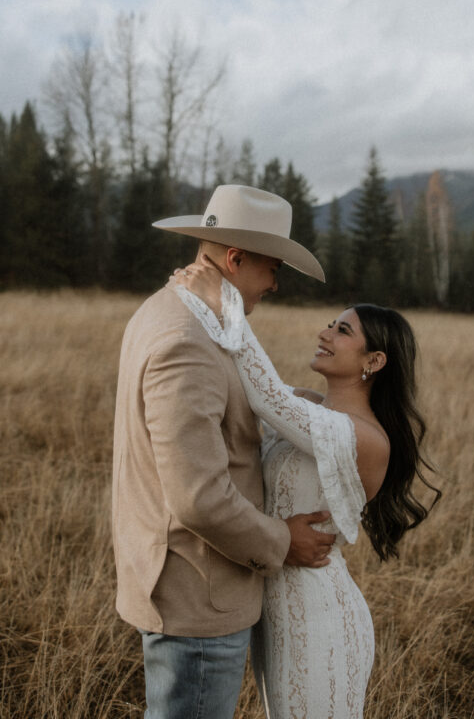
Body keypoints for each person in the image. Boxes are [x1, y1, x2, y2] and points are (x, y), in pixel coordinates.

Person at [174, 258, 441, 719]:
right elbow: (254, 387)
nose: (324, 334)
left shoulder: (365, 437)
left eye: (342, 331)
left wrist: (226, 299)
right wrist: (196, 303)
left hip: (321, 618)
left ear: (373, 362)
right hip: (276, 609)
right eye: (330, 324)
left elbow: (266, 396)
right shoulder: (308, 405)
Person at [111, 184, 331, 719]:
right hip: (197, 598)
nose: (276, 284)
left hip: (193, 588)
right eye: (272, 268)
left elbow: (243, 401)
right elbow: (198, 498)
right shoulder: (188, 339)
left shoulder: (192, 315)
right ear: (234, 258)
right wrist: (284, 542)